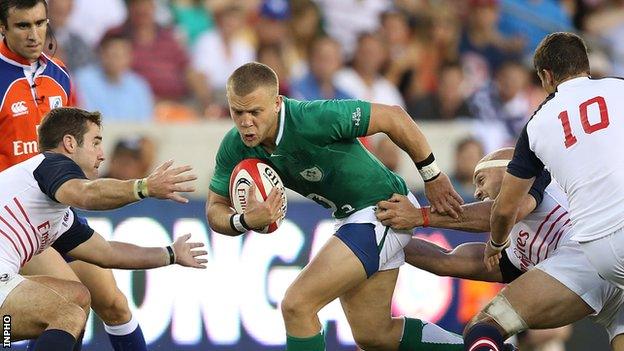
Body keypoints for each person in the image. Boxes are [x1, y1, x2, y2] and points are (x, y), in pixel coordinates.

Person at [205, 62, 463, 351]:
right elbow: (215, 207)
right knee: (374, 335)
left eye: (255, 112)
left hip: (383, 209)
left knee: (297, 305)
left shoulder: (313, 118)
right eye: (237, 112)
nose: (246, 122)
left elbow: (394, 117)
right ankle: (481, 347)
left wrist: (433, 175)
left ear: (277, 103)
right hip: (351, 217)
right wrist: (243, 221)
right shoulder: (235, 145)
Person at [0, 1, 153, 350]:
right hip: (17, 217)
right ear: (3, 28)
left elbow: (80, 145)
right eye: (23, 25)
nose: (35, 34)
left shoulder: (60, 76)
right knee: (68, 307)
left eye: (40, 23)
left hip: (60, 212)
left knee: (113, 303)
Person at [464, 32, 624, 351]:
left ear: (546, 77)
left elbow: (507, 208)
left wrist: (496, 243)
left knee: (485, 326)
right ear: (586, 66)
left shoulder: (536, 126)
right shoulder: (618, 88)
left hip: (597, 253)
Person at [376, 148, 624, 350]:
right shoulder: (514, 251)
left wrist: (419, 216)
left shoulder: (540, 172)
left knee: (484, 327)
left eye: (481, 179)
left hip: (591, 252)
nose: (477, 191)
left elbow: (502, 213)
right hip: (611, 294)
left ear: (508, 168)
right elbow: (445, 260)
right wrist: (384, 235)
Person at [0, 107, 205, 351]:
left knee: (76, 297)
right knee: (67, 314)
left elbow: (106, 253)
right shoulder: (51, 164)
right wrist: (144, 187)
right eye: (95, 143)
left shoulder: (57, 214)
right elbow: (86, 194)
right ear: (69, 143)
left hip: (5, 304)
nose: (102, 155)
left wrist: (170, 253)